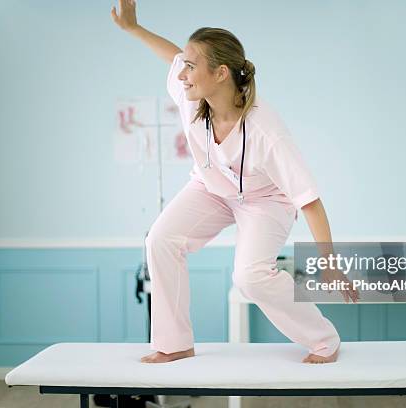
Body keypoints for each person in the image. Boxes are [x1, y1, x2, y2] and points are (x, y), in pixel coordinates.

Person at [111, 0, 359, 364]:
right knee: (161, 239)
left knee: (250, 277)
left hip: (266, 200)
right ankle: (175, 343)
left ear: (221, 73)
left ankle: (324, 340)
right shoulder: (190, 97)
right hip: (211, 187)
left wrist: (330, 264)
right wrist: (135, 28)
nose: (182, 74)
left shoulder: (265, 130)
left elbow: (310, 201)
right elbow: (173, 56)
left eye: (192, 67)